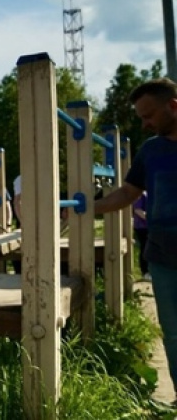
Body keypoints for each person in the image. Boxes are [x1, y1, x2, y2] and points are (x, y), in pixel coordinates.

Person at [94, 78, 177, 401]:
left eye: (149, 115)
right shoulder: (150, 151)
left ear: (173, 106)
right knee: (173, 333)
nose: (145, 123)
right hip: (163, 257)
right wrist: (89, 208)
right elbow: (129, 193)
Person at [132, 191, 150, 281]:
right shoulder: (140, 194)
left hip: (149, 226)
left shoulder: (148, 192)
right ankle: (145, 272)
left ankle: (149, 271)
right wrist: (149, 217)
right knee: (144, 247)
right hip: (141, 226)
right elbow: (137, 210)